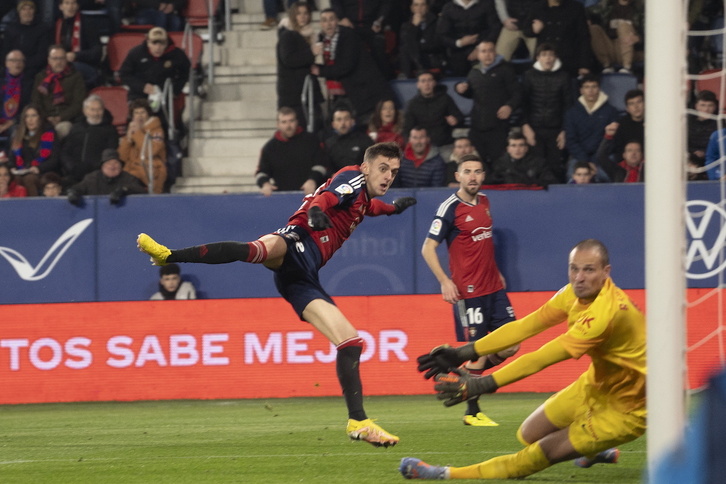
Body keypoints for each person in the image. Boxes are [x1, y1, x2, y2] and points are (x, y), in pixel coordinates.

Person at [136, 142, 417, 447]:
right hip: (297, 240)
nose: (389, 176)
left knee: (350, 342)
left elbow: (368, 206)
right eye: (383, 168)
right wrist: (314, 213)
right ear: (366, 167)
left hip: (301, 278)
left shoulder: (364, 196)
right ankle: (169, 255)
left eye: (394, 171)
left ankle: (358, 422)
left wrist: (393, 208)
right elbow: (328, 197)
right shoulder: (353, 179)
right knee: (252, 250)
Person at [402, 238, 645, 480]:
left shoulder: (606, 313)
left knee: (539, 454)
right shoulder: (571, 293)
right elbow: (523, 327)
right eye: (574, 268)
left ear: (606, 272)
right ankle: (593, 451)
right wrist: (462, 353)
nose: (579, 277)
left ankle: (442, 473)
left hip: (628, 408)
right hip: (596, 385)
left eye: (589, 270)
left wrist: (483, 383)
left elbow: (541, 358)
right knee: (528, 435)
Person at [421, 153, 519, 427]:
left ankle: (463, 375)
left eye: (477, 171)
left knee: (512, 344)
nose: (473, 176)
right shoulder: (449, 207)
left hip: (493, 288)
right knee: (477, 350)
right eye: (467, 171)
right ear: (458, 176)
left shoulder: (485, 202)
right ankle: (472, 411)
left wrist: (496, 271)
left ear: (483, 175)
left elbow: (482, 244)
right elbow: (428, 248)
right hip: (470, 292)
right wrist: (444, 281)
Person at [311, 9, 392, 125]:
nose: (328, 24)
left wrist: (320, 70)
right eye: (324, 20)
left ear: (337, 21)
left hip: (365, 93)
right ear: (320, 23)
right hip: (345, 93)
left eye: (331, 19)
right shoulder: (322, 38)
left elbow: (346, 66)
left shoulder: (348, 35)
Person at [455, 41, 522, 168]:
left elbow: (518, 93)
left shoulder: (506, 70)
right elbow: (471, 92)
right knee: (476, 164)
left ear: (495, 53)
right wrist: (459, 88)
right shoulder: (474, 71)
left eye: (490, 51)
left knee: (499, 164)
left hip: (498, 127)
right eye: (483, 51)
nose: (487, 54)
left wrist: (510, 106)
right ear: (478, 54)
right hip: (477, 126)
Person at [521, 43, 572, 182]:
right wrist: (525, 125)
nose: (548, 58)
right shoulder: (529, 75)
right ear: (538, 58)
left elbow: (568, 106)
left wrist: (564, 130)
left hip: (556, 130)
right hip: (534, 129)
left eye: (551, 55)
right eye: (544, 55)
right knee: (536, 166)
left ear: (555, 57)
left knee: (555, 167)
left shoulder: (564, 76)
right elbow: (523, 103)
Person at [256, 107, 327, 196]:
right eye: (284, 122)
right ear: (277, 124)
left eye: (291, 121)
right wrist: (265, 184)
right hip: (284, 199)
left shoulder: (311, 141)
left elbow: (322, 165)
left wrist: (312, 180)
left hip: (313, 196)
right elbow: (261, 172)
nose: (288, 126)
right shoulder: (269, 148)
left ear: (297, 122)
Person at [563, 74, 619, 182]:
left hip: (603, 157)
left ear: (599, 89)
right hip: (578, 157)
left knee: (607, 178)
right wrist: (586, 162)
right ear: (581, 90)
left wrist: (594, 161)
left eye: (594, 86)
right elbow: (571, 140)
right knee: (571, 180)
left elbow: (612, 141)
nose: (590, 90)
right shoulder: (572, 113)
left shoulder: (611, 112)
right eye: (587, 87)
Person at [118, 27, 191, 110]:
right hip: (139, 94)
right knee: (139, 113)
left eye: (162, 44)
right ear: (148, 42)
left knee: (162, 118)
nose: (158, 48)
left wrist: (175, 91)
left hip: (165, 94)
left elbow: (185, 73)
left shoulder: (177, 55)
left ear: (167, 43)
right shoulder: (136, 53)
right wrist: (142, 87)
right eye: (154, 43)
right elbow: (124, 74)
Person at [276, 1, 322, 131]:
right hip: (293, 94)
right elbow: (289, 59)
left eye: (306, 13)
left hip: (306, 90)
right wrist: (311, 52)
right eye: (299, 13)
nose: (303, 17)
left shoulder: (310, 35)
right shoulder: (287, 34)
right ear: (293, 16)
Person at [59, 94, 119, 187]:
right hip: (74, 173)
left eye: (99, 109)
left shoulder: (110, 130)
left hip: (98, 176)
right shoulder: (76, 128)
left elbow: (110, 154)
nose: (96, 113)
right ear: (85, 111)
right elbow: (65, 151)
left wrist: (93, 168)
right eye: (92, 110)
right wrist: (71, 166)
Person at [523, 0, 592, 78]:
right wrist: (534, 30)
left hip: (568, 60)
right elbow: (526, 30)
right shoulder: (537, 7)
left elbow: (584, 37)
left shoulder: (576, 7)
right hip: (544, 60)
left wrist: (584, 64)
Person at [403, 71, 464, 158]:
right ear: (418, 85)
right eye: (423, 81)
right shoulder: (412, 104)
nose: (427, 84)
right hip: (424, 147)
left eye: (429, 80)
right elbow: (407, 129)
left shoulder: (445, 99)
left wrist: (455, 120)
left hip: (445, 144)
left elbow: (459, 117)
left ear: (434, 83)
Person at [31, 44, 86, 139]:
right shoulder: (40, 77)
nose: (59, 62)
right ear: (49, 60)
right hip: (44, 118)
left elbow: (78, 103)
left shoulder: (76, 77)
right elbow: (36, 101)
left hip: (67, 119)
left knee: (62, 129)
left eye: (62, 58)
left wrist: (60, 117)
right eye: (55, 58)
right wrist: (46, 118)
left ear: (66, 60)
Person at [436, 0, 501, 77]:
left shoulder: (486, 5)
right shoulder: (448, 8)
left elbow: (495, 28)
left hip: (482, 47)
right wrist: (459, 42)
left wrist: (480, 48)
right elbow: (441, 34)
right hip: (457, 51)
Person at [330, 0, 393, 79]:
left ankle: (385, 81)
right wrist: (342, 17)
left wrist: (380, 20)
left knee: (379, 49)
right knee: (347, 51)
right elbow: (336, 3)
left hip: (372, 25)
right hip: (349, 25)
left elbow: (385, 4)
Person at [118, 98, 167, 194]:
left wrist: (137, 133)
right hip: (130, 171)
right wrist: (128, 139)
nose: (139, 116)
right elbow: (122, 157)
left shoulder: (157, 130)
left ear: (148, 114)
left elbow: (151, 151)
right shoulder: (131, 130)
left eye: (142, 112)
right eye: (136, 113)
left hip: (150, 170)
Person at [67, 148, 146, 205]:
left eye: (115, 163)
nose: (112, 166)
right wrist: (73, 192)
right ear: (102, 167)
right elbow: (78, 188)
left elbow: (141, 190)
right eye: (108, 163)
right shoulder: (93, 178)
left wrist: (124, 190)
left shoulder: (128, 178)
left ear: (121, 166)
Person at [9, 104, 58, 196]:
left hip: (42, 171)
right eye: (27, 116)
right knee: (16, 179)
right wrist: (12, 167)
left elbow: (55, 159)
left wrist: (39, 168)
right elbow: (11, 158)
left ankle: (34, 208)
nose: (30, 120)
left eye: (33, 116)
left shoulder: (49, 133)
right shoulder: (18, 135)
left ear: (39, 117)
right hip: (22, 171)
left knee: (29, 179)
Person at [54, 0, 103, 89]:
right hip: (61, 64)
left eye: (73, 3)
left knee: (69, 70)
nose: (70, 7)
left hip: (84, 65)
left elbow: (97, 52)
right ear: (60, 7)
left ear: (77, 6)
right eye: (67, 3)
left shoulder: (88, 23)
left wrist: (76, 55)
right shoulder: (56, 25)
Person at [588, 0, 643, 74]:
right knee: (594, 28)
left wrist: (639, 38)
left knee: (623, 25)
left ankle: (627, 67)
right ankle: (607, 65)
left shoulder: (640, 8)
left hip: (631, 50)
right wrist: (587, 19)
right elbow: (584, 10)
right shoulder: (607, 6)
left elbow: (653, 33)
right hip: (610, 48)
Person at [0, 0, 51, 80]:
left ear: (34, 11)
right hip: (12, 66)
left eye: (30, 9)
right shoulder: (10, 29)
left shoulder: (42, 29)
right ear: (19, 12)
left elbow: (42, 56)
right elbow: (5, 52)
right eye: (24, 9)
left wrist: (21, 65)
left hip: (32, 69)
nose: (27, 12)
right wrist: (11, 65)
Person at [489, 132, 558, 186]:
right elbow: (492, 182)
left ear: (526, 148)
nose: (517, 149)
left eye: (521, 145)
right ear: (508, 149)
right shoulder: (499, 164)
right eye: (513, 145)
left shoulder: (538, 163)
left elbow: (550, 181)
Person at [397, 0, 444, 79]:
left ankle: (407, 74)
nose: (419, 8)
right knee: (404, 48)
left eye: (422, 5)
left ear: (427, 7)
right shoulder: (406, 25)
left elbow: (436, 43)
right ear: (412, 8)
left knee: (406, 49)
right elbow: (404, 42)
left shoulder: (436, 23)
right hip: (412, 59)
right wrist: (414, 26)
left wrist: (417, 45)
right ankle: (414, 70)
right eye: (416, 5)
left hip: (431, 57)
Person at [0, 51, 34, 155]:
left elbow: (29, 107)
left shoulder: (29, 83)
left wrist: (11, 122)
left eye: (20, 61)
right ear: (6, 63)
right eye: (13, 61)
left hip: (17, 121)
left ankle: (11, 163)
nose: (17, 64)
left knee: (17, 131)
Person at [324, 104, 374, 173]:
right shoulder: (328, 144)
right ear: (333, 124)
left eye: (346, 119)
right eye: (339, 120)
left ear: (352, 122)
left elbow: (372, 162)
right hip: (337, 181)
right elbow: (328, 168)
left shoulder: (364, 140)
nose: (343, 123)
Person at [687, 90, 718, 170]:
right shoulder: (687, 122)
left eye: (710, 105)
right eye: (702, 105)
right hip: (690, 159)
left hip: (714, 160)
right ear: (696, 106)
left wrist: (706, 152)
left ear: (715, 107)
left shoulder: (721, 123)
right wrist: (693, 152)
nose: (706, 109)